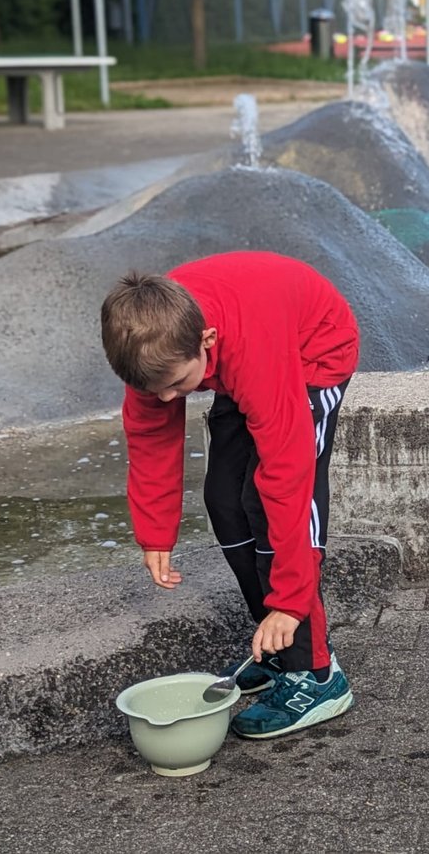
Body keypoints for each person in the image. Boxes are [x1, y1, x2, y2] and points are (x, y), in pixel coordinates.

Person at [100, 251, 359, 740]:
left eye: (177, 385)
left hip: (311, 353)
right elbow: (151, 439)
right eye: (155, 391)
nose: (168, 400)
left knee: (265, 504)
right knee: (223, 499)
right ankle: (276, 646)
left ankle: (316, 675)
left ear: (207, 340)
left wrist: (291, 600)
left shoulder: (251, 352)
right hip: (243, 352)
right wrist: (156, 534)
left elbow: (289, 482)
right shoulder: (151, 349)